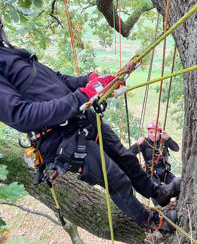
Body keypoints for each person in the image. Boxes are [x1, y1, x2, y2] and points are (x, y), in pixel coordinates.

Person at [0, 18, 180, 231]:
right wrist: (82, 96)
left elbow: (57, 80)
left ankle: (158, 193)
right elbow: (21, 116)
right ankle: (150, 221)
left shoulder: (12, 53)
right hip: (59, 140)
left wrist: (88, 81)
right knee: (116, 179)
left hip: (81, 120)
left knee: (126, 159)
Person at [131, 121, 179, 205]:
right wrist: (137, 145)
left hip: (164, 171)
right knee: (155, 193)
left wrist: (169, 139)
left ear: (160, 133)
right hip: (151, 173)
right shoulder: (144, 143)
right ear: (148, 132)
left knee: (178, 185)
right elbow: (129, 153)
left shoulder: (164, 140)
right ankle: (161, 209)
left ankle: (179, 203)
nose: (153, 135)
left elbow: (176, 148)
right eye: (151, 132)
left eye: (156, 132)